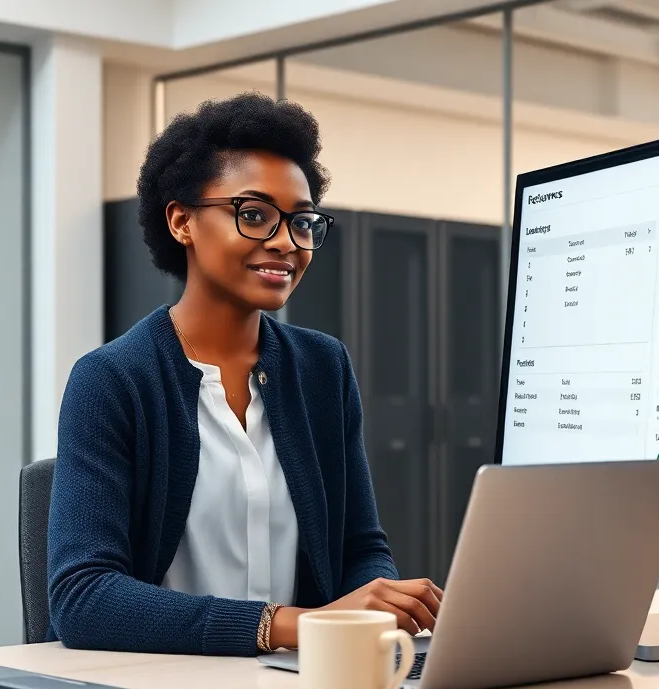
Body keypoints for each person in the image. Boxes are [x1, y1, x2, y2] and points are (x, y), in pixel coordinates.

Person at [47, 93, 443, 656]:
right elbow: (84, 599)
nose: (286, 242)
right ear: (182, 220)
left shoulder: (322, 368)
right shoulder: (112, 379)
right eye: (253, 215)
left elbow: (359, 548)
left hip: (301, 686)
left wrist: (381, 605)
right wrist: (296, 625)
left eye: (302, 222)